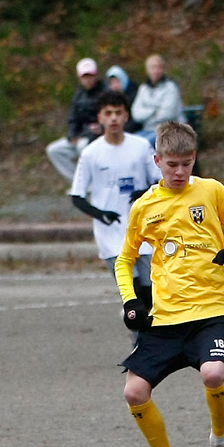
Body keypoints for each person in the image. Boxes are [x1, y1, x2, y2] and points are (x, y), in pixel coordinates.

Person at [114, 120, 224, 447]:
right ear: (157, 161)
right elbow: (125, 259)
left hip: (212, 310)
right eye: (172, 165)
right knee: (134, 391)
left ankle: (220, 439)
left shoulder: (211, 191)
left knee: (213, 373)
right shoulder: (145, 207)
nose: (180, 173)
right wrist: (131, 301)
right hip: (165, 319)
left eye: (186, 164)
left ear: (195, 159)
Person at [69, 90, 161, 336]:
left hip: (144, 232)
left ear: (126, 115)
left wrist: (143, 191)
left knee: (150, 291)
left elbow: (160, 182)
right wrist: (101, 214)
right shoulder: (90, 153)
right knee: (131, 294)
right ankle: (139, 344)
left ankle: (150, 338)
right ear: (99, 117)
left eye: (118, 113)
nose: (113, 119)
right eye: (108, 113)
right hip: (111, 237)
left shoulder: (141, 147)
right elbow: (76, 196)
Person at [46, 57, 105, 182]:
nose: (88, 80)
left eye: (90, 76)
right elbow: (73, 118)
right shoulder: (79, 94)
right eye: (85, 77)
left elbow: (106, 118)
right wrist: (72, 134)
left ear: (96, 75)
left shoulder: (105, 92)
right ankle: (77, 181)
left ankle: (92, 182)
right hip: (80, 135)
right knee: (54, 150)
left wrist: (96, 130)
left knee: (83, 148)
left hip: (95, 136)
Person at [131, 54, 185, 148]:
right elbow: (136, 113)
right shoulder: (143, 88)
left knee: (143, 145)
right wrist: (154, 110)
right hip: (147, 130)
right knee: (130, 143)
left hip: (169, 130)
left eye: (159, 67)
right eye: (153, 67)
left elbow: (167, 114)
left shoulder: (170, 87)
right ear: (147, 70)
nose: (156, 71)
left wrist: (146, 113)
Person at [105, 65, 142, 132]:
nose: (115, 86)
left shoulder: (134, 94)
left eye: (117, 82)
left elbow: (136, 119)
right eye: (112, 83)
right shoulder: (108, 98)